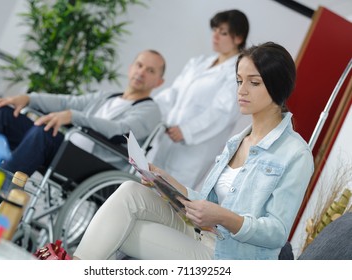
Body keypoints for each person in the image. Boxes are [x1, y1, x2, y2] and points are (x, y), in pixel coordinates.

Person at [71, 42, 314, 260]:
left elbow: (277, 233)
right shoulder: (237, 141)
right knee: (130, 191)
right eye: (239, 81)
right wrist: (167, 181)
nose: (241, 90)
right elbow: (206, 204)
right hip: (202, 233)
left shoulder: (295, 154)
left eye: (254, 82)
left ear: (278, 86)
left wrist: (223, 217)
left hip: (228, 258)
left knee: (124, 229)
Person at [0, 50, 165, 177]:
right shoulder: (108, 96)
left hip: (91, 166)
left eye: (151, 71)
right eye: (139, 65)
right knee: (4, 112)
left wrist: (73, 116)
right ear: (130, 68)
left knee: (44, 131)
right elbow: (67, 101)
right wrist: (28, 98)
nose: (141, 72)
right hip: (65, 148)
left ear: (159, 82)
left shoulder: (150, 110)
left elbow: (120, 130)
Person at [150, 9, 250, 189]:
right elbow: (173, 93)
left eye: (223, 32)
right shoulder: (198, 63)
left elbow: (221, 113)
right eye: (215, 30)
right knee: (144, 187)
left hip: (193, 150)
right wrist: (148, 108)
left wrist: (187, 130)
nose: (216, 36)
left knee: (168, 199)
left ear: (238, 38)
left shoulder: (236, 74)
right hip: (166, 139)